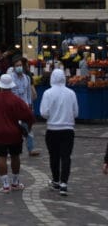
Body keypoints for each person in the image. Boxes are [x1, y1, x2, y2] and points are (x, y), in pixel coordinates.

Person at [0, 73, 35, 194]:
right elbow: (29, 116)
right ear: (11, 86)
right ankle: (15, 182)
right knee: (15, 156)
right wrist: (27, 129)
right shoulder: (16, 100)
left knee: (1, 157)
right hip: (14, 133)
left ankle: (6, 184)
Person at [39, 67, 78, 196]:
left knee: (54, 156)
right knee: (66, 157)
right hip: (68, 129)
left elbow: (44, 113)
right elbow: (76, 112)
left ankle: (56, 180)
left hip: (52, 129)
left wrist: (52, 115)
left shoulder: (48, 93)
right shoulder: (71, 93)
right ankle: (64, 183)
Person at [9, 56, 39, 157]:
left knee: (29, 128)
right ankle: (12, 149)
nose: (19, 67)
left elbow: (28, 93)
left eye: (20, 65)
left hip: (25, 106)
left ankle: (30, 149)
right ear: (13, 67)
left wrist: (30, 105)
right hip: (14, 107)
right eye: (17, 66)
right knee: (13, 129)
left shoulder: (27, 78)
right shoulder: (11, 78)